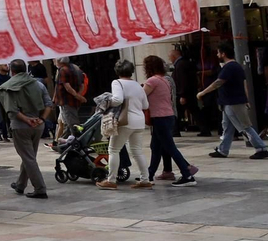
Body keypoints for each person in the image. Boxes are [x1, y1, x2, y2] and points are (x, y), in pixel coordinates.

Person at [0, 58, 49, 200]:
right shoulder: (38, 84)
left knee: (29, 158)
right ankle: (20, 184)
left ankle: (40, 188)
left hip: (21, 126)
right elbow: (49, 104)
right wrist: (41, 119)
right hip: (38, 125)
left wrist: (26, 120)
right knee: (29, 156)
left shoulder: (8, 86)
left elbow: (12, 110)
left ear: (12, 71)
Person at [201, 44, 268, 159]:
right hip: (229, 102)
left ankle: (261, 148)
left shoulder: (229, 67)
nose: (217, 55)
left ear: (223, 54)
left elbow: (218, 82)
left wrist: (202, 93)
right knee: (227, 127)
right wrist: (246, 99)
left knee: (245, 126)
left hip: (233, 102)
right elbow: (244, 84)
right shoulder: (236, 66)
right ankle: (223, 150)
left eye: (218, 53)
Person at [143, 55, 197, 186]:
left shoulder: (152, 81)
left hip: (159, 117)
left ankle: (187, 175)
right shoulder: (164, 80)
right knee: (155, 147)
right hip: (168, 116)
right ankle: (148, 176)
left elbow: (141, 95)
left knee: (170, 147)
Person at [100, 59, 152, 190]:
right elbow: (146, 105)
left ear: (117, 71)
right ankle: (145, 179)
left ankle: (111, 180)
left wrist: (107, 101)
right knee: (137, 151)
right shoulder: (137, 85)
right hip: (139, 122)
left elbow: (117, 100)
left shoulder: (117, 82)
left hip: (125, 121)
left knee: (113, 149)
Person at [53, 56, 90, 145]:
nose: (53, 62)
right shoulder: (75, 68)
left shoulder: (62, 70)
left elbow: (67, 87)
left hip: (67, 101)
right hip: (73, 101)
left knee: (72, 124)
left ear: (59, 61)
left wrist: (77, 96)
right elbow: (82, 85)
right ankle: (62, 142)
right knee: (67, 123)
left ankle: (76, 143)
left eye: (54, 60)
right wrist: (79, 96)